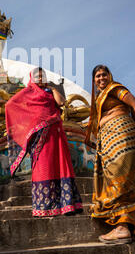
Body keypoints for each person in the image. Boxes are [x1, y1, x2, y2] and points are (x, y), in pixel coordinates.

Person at [85, 65, 135, 244]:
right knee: (123, 181)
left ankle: (122, 227)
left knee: (121, 181)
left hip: (122, 136)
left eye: (104, 75)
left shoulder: (115, 88)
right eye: (97, 76)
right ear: (93, 81)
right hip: (111, 141)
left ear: (110, 76)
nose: (101, 78)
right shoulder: (101, 97)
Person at [5, 67, 83, 217]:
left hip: (56, 132)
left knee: (60, 165)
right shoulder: (27, 92)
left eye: (43, 76)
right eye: (38, 77)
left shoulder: (49, 92)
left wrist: (53, 88)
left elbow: (60, 102)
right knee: (44, 166)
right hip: (40, 136)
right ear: (32, 78)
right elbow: (10, 105)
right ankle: (45, 206)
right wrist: (29, 126)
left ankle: (67, 205)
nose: (41, 79)